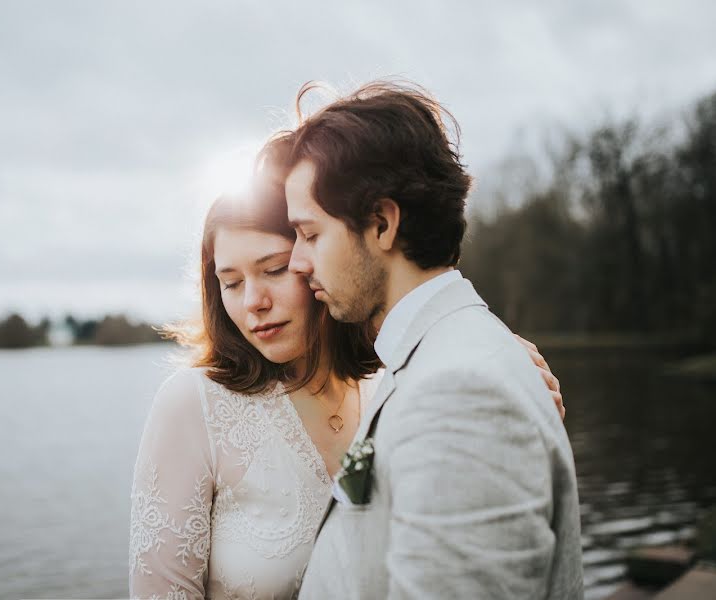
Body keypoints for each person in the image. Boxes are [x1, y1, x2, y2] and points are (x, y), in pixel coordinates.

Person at [128, 161, 566, 599]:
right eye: (231, 282)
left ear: (313, 258)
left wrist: (502, 370)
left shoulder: (397, 386)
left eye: (275, 269)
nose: (253, 302)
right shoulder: (193, 404)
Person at [278, 81, 583, 599]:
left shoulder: (463, 392)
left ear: (381, 223)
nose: (296, 262)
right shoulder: (438, 356)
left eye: (310, 235)